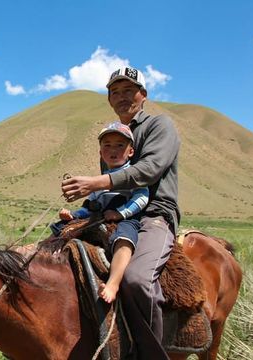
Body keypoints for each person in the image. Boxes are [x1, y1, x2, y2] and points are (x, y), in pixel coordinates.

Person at [61, 66, 180, 360]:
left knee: (137, 278)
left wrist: (96, 182)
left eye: (129, 90)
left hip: (153, 213)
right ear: (109, 99)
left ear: (143, 95)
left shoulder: (159, 126)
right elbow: (109, 192)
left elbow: (150, 170)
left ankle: (152, 354)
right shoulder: (113, 136)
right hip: (114, 213)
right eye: (115, 92)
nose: (122, 97)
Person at [50, 122, 149, 304]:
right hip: (98, 217)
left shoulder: (133, 174)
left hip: (125, 220)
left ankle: (113, 283)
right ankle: (46, 260)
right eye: (107, 145)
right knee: (61, 228)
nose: (113, 150)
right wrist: (73, 215)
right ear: (101, 152)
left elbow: (142, 198)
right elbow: (89, 206)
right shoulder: (99, 180)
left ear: (130, 151)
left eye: (120, 145)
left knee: (124, 240)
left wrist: (121, 214)